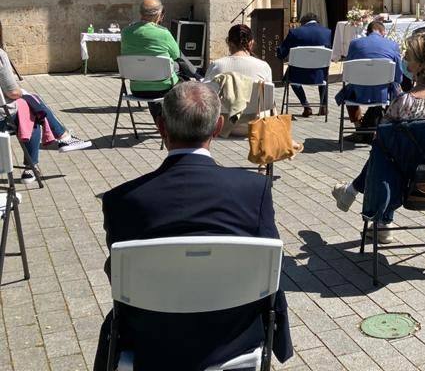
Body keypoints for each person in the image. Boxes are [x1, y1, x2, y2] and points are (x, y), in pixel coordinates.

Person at [93, 82, 292, 371]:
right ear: (218, 126)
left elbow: (118, 275)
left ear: (161, 127)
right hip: (234, 337)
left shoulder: (121, 201)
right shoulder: (254, 190)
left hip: (151, 341)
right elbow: (271, 266)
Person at [332, 33, 425, 225]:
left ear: (421, 64)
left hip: (405, 175)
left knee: (383, 150)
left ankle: (377, 213)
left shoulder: (405, 102)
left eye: (408, 56)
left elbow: (382, 139)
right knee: (390, 147)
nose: (404, 60)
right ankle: (354, 193)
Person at [1, 47, 91, 186]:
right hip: (3, 119)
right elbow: (12, 92)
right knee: (32, 112)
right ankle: (59, 141)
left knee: (28, 106)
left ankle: (61, 139)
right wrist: (23, 92)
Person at [120, 0, 199, 118]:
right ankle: (177, 122)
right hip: (163, 88)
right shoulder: (163, 33)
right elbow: (176, 55)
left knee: (155, 72)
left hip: (137, 88)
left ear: (140, 13)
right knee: (181, 77)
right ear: (158, 14)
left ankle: (159, 120)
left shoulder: (126, 32)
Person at [337, 20, 404, 128]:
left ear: (367, 32)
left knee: (347, 90)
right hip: (383, 92)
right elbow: (398, 75)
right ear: (383, 32)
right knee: (396, 89)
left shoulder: (354, 44)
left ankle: (358, 125)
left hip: (359, 92)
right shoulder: (392, 45)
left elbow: (348, 71)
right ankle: (387, 125)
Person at [276, 12, 332, 118]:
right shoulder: (327, 32)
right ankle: (323, 106)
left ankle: (306, 105)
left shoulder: (295, 32)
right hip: (319, 75)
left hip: (298, 75)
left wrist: (278, 49)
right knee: (324, 71)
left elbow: (281, 54)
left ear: (302, 23)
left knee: (289, 74)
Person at [206, 24, 272, 82]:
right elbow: (268, 94)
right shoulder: (263, 67)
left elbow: (206, 93)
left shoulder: (216, 66)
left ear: (229, 43)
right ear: (251, 43)